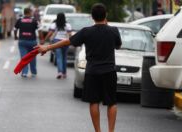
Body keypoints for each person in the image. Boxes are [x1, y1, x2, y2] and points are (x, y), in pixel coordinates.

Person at [36, 3, 122, 132]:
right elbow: (118, 46)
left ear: (92, 17)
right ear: (105, 16)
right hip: (109, 71)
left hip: (92, 72)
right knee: (112, 103)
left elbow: (67, 41)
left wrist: (47, 47)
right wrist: (107, 25)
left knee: (93, 102)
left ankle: (98, 131)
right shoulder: (113, 31)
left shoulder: (86, 32)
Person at [43, 13, 72, 79]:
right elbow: (70, 35)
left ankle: (60, 72)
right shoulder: (68, 25)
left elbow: (50, 33)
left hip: (57, 42)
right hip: (65, 42)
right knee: (64, 58)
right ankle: (64, 73)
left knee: (59, 58)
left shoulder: (54, 25)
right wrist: (71, 42)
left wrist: (45, 40)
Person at [14, 8, 42, 78]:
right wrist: (42, 39)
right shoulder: (35, 21)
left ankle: (24, 73)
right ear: (29, 12)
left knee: (24, 58)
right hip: (32, 41)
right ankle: (33, 73)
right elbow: (40, 30)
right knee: (32, 57)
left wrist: (15, 37)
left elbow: (15, 29)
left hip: (22, 41)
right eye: (31, 12)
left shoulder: (19, 20)